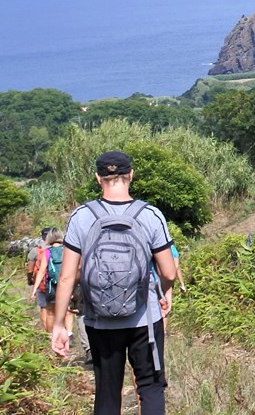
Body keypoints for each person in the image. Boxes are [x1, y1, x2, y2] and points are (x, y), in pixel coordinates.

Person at [50, 151, 181, 415]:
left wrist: (58, 324)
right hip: (144, 318)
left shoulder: (81, 216)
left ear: (99, 178)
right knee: (151, 387)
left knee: (107, 392)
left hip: (99, 319)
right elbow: (168, 271)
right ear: (131, 174)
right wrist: (163, 294)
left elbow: (66, 276)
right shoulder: (151, 215)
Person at [30, 228, 64, 331]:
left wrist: (34, 289)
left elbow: (41, 271)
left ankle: (51, 335)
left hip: (51, 286)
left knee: (50, 312)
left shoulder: (47, 252)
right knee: (65, 311)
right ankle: (68, 334)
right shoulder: (66, 250)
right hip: (64, 284)